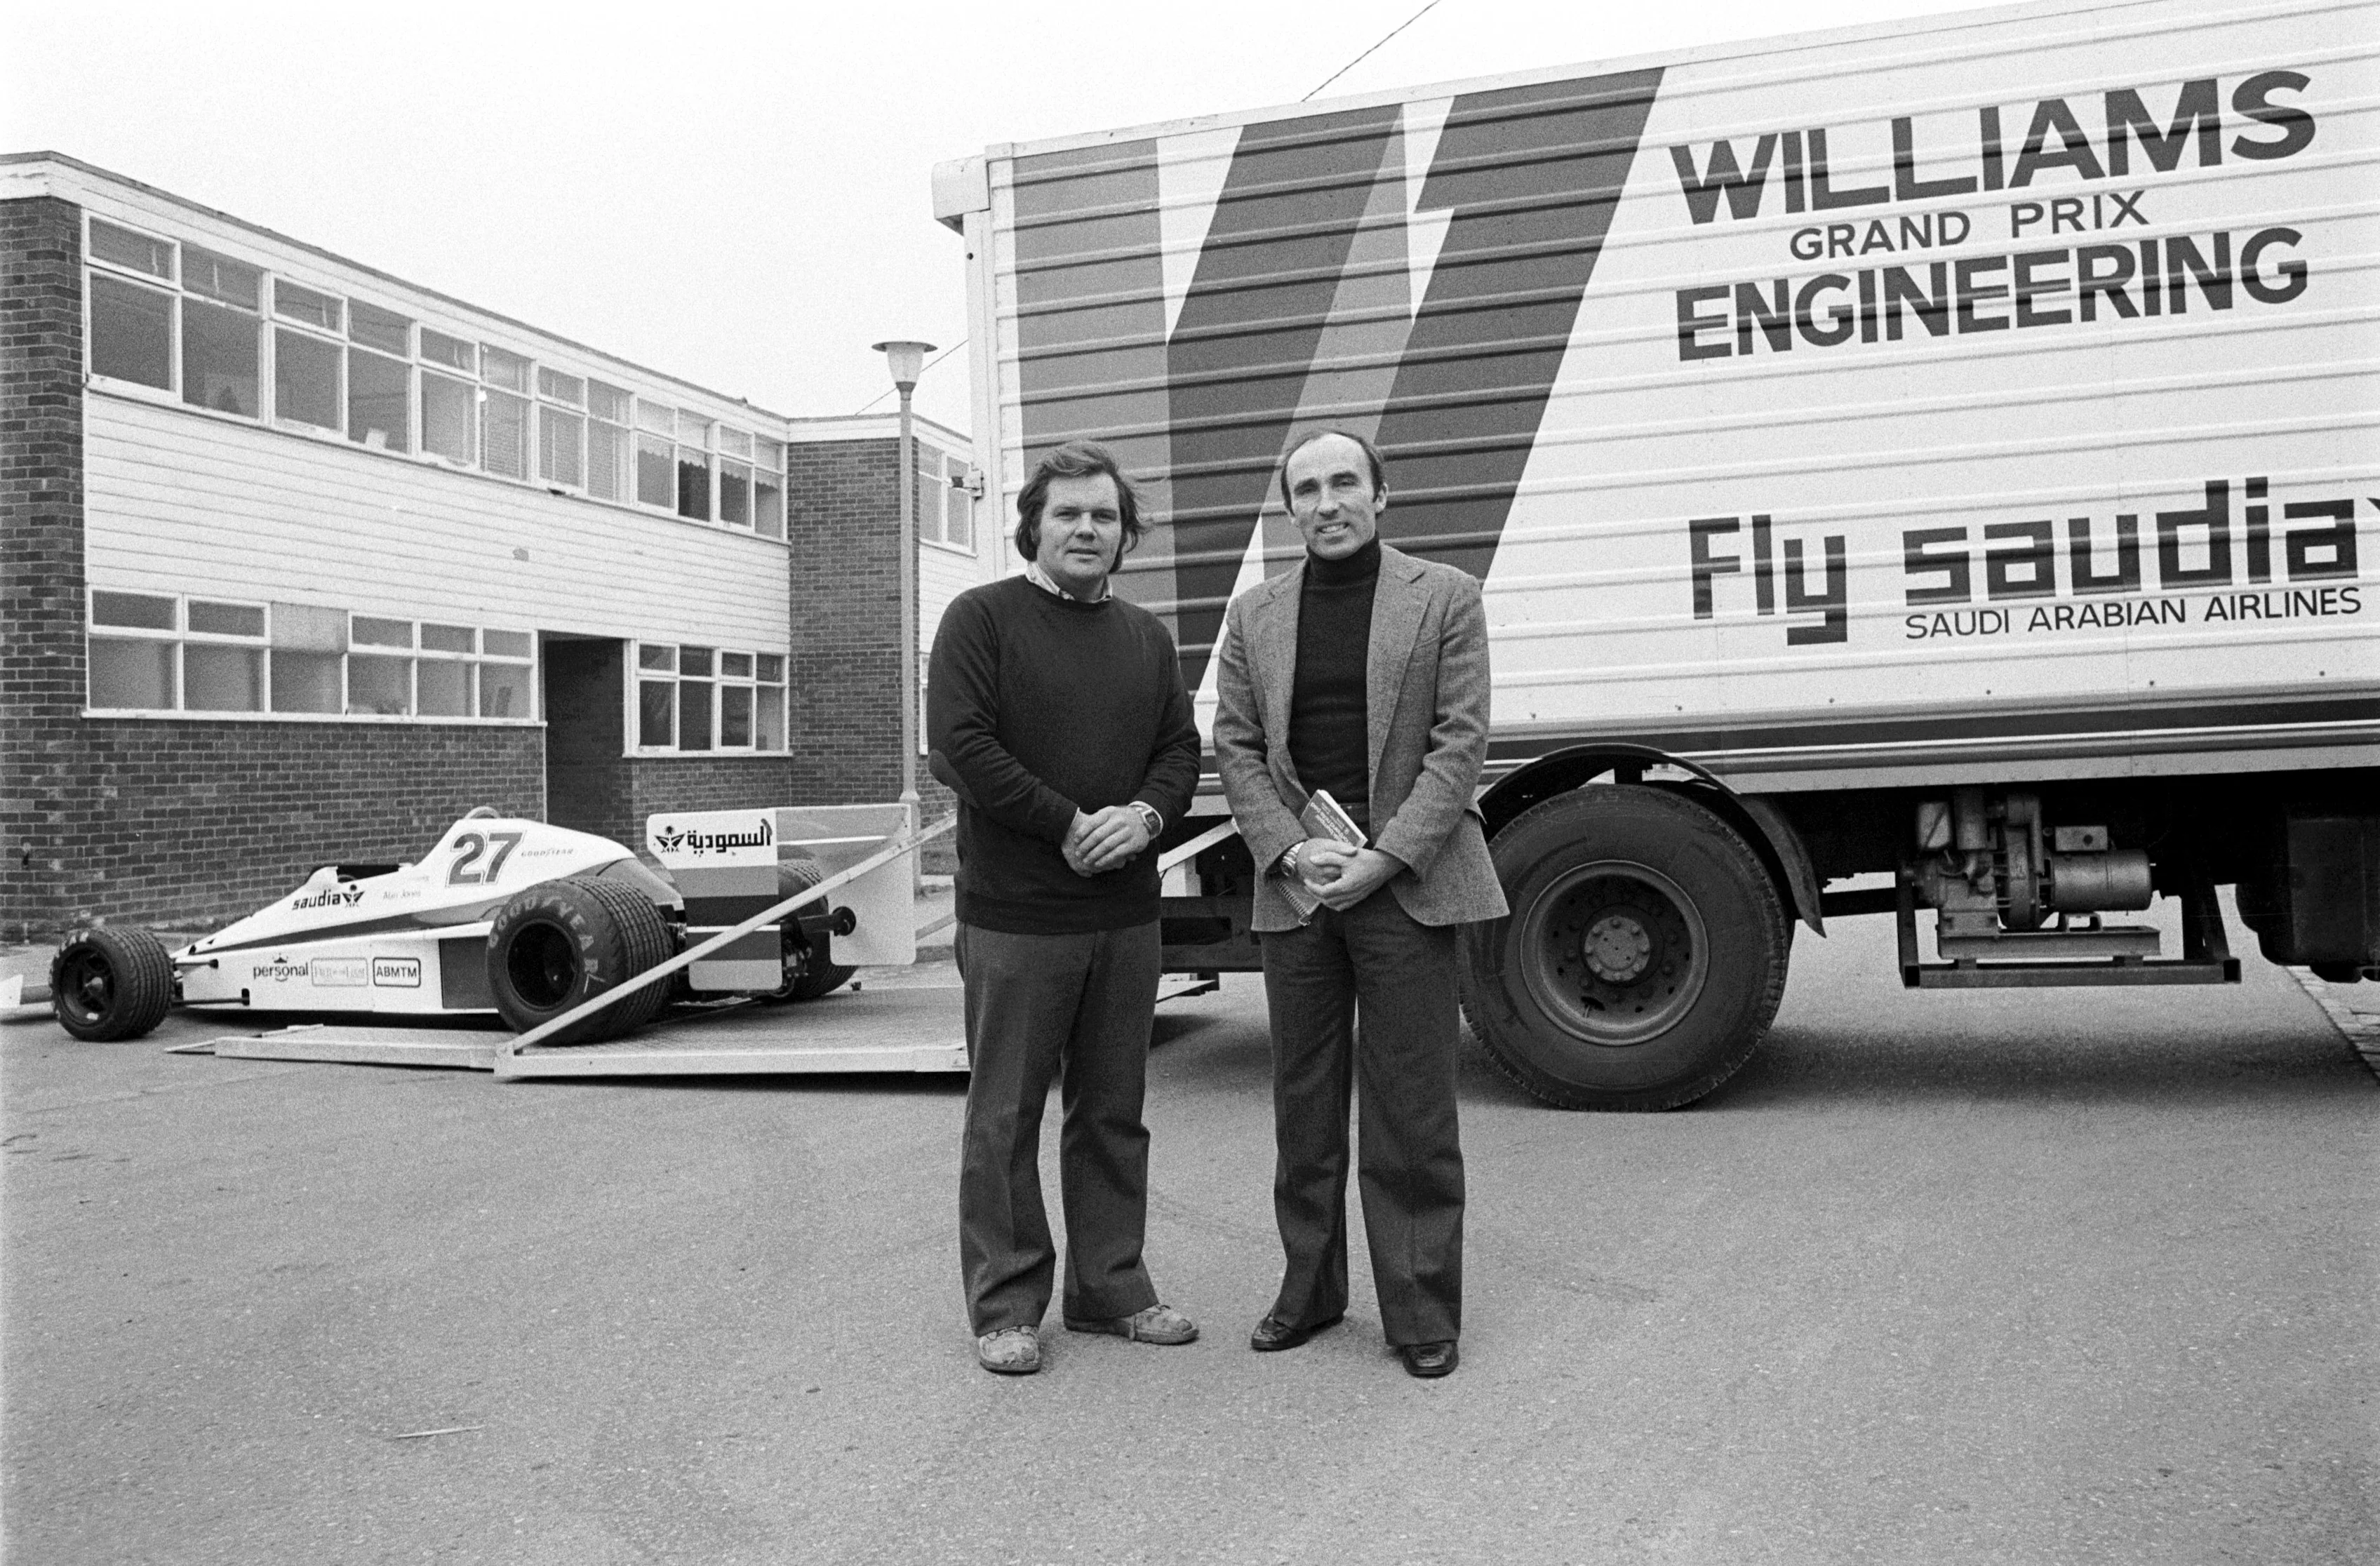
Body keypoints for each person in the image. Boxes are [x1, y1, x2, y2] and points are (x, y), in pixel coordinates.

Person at [1211, 428, 1506, 1379]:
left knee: (1411, 1111)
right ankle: (1311, 1288)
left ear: (1383, 496)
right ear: (1289, 508)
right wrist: (1294, 849)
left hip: (1406, 889)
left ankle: (1420, 1309)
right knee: (1303, 1107)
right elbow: (1237, 748)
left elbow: (1460, 746)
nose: (1327, 502)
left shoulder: (1446, 599)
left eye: (1346, 483)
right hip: (1300, 893)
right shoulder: (1255, 614)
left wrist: (1384, 858)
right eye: (1307, 489)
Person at [927, 439, 1203, 1377]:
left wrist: (1145, 816)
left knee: (1113, 1111)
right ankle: (1006, 1306)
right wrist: (1067, 823)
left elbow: (1180, 749)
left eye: (1104, 516)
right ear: (1032, 529)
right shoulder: (980, 621)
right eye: (1068, 514)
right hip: (1016, 919)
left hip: (1124, 918)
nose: (1087, 529)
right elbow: (960, 746)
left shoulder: (1145, 638)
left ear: (1125, 536)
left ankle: (1111, 1289)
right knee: (1004, 1117)